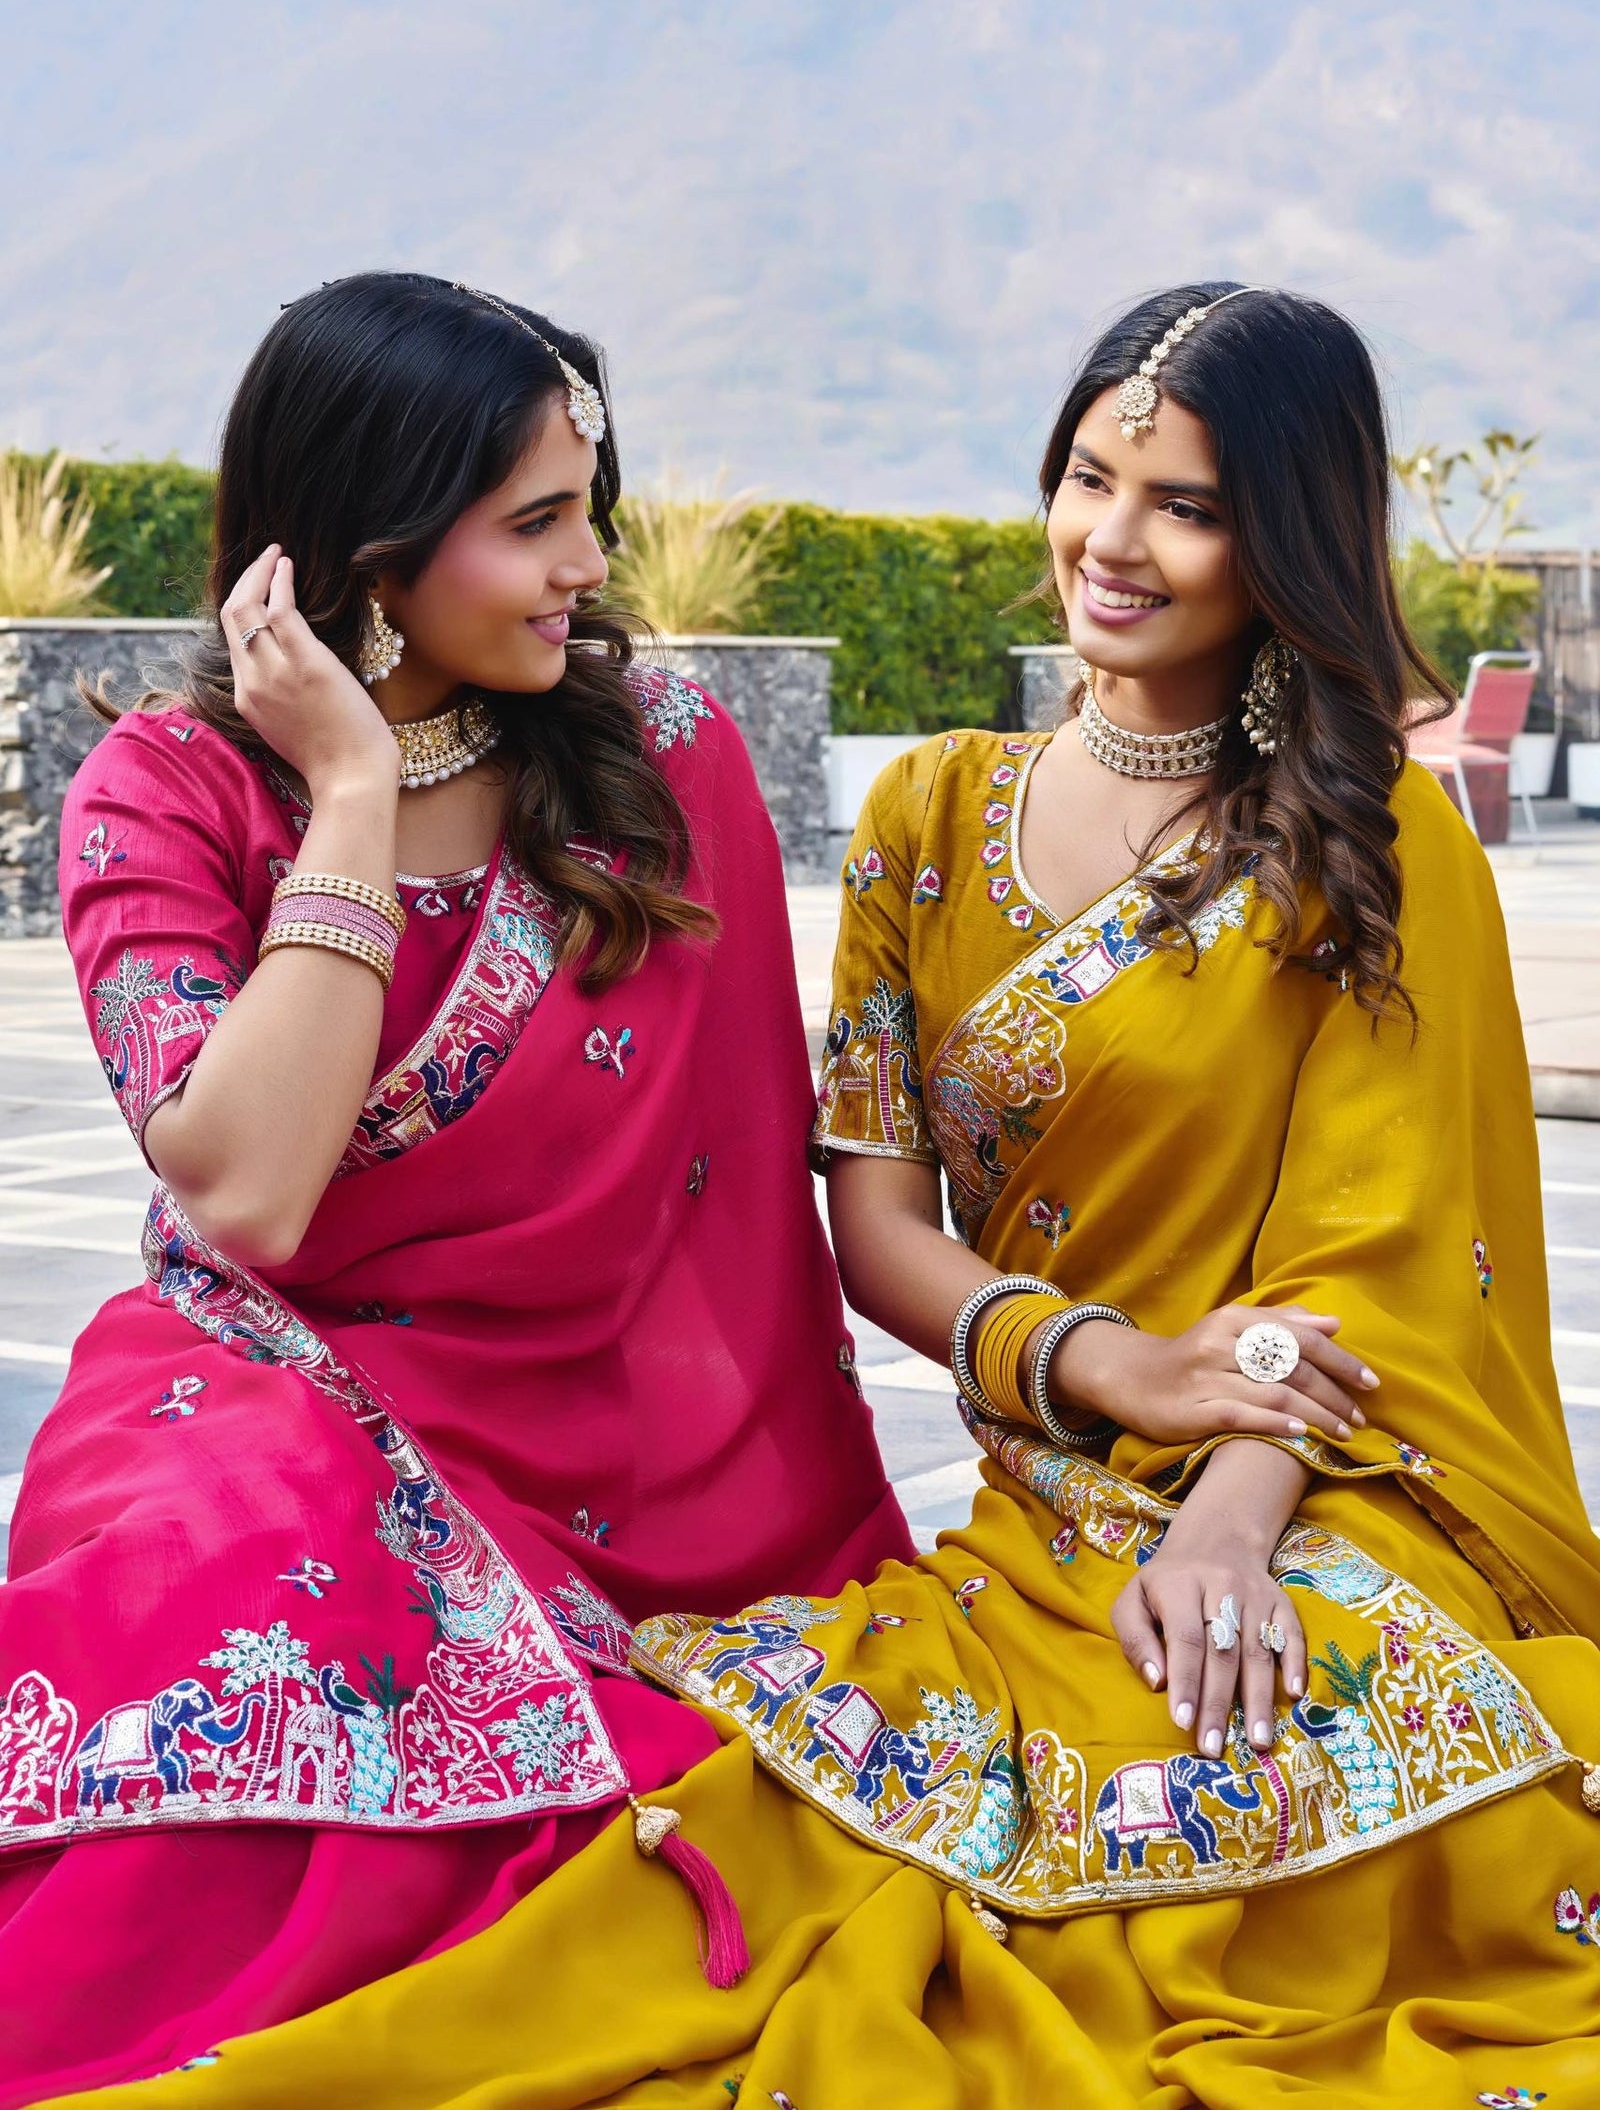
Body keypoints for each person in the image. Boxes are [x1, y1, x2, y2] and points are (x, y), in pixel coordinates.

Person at [93, 283, 1600, 2109]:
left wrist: (1226, 1513)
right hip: (1046, 1470)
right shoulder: (931, 821)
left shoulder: (1371, 836)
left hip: (1325, 1473)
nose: (1110, 541)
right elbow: (861, 1213)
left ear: (1280, 533)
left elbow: (1379, 1247)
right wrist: (1099, 1368)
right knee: (832, 1813)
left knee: (1238, 1781)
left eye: (1184, 504)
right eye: (1087, 476)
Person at [0, 273, 910, 2105]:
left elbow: (731, 1188)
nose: (588, 566)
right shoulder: (165, 798)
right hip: (259, 1379)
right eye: (534, 523)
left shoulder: (660, 758)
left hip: (616, 1442)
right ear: (366, 545)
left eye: (593, 510)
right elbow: (249, 1193)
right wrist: (345, 790)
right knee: (240, 1622)